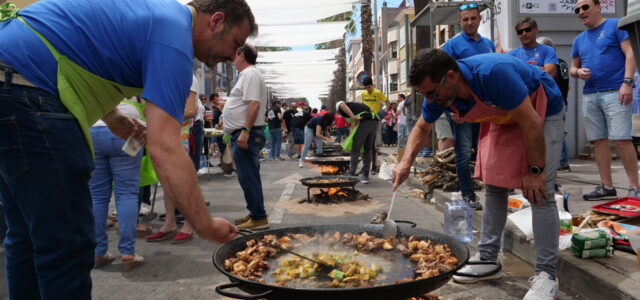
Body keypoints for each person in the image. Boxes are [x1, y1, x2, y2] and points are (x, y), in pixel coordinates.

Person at [0, 0, 255, 297]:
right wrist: (205, 224)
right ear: (216, 21)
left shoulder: (154, 16)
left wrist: (113, 116)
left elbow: (79, 48)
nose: (229, 57)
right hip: (28, 95)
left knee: (25, 235)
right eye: (235, 42)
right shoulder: (174, 39)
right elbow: (165, 148)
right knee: (64, 244)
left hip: (12, 83)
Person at [393, 49, 565, 300]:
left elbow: (530, 121)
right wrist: (405, 163)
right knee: (494, 183)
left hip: (541, 109)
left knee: (539, 191)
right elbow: (422, 127)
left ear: (451, 76)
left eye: (431, 93)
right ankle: (487, 258)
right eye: (424, 94)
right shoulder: (439, 92)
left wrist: (535, 170)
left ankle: (547, 275)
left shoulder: (494, 74)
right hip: (504, 115)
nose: (430, 99)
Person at [571, 0, 640, 200]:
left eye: (585, 7)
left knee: (621, 139)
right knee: (598, 141)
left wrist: (627, 83)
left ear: (598, 7)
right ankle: (606, 186)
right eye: (577, 9)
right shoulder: (579, 40)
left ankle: (635, 187)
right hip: (590, 94)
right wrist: (578, 72)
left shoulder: (615, 26)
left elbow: (630, 54)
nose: (580, 12)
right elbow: (573, 67)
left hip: (615, 92)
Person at [440, 3, 496, 210]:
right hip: (461, 109)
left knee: (485, 149)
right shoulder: (452, 46)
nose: (469, 22)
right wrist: (452, 109)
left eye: (473, 18)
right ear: (459, 22)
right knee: (463, 152)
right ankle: (468, 194)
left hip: (485, 108)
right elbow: (443, 80)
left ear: (480, 19)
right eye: (465, 19)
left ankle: (494, 190)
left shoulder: (489, 44)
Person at [90, 98, 145, 271]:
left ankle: (98, 252)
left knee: (97, 195)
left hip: (93, 127)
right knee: (127, 194)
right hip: (128, 127)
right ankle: (128, 253)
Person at [145, 75, 200, 244]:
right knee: (167, 180)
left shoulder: (188, 78)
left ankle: (189, 224)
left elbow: (191, 110)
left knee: (183, 181)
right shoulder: (164, 76)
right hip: (165, 134)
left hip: (180, 135)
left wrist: (161, 117)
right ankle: (170, 223)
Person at [223, 44, 269, 230]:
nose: (232, 58)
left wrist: (245, 131)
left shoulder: (250, 74)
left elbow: (254, 105)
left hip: (246, 134)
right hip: (244, 133)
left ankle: (259, 217)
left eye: (234, 54)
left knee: (248, 177)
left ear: (241, 55)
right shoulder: (249, 74)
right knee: (247, 177)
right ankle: (254, 213)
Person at [537, 36, 571, 172]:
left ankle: (561, 160)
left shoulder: (551, 64)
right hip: (562, 100)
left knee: (554, 132)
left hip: (552, 101)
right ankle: (563, 161)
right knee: (560, 131)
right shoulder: (562, 62)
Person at [336, 101, 377, 184]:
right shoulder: (356, 106)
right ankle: (365, 176)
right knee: (367, 150)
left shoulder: (340, 105)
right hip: (374, 122)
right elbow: (354, 125)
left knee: (355, 149)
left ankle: (351, 174)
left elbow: (342, 105)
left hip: (364, 123)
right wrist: (349, 138)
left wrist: (352, 116)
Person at [361, 76, 390, 174]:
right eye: (366, 87)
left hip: (374, 120)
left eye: (369, 87)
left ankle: (373, 167)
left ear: (372, 85)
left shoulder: (377, 93)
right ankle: (366, 166)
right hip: (365, 119)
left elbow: (387, 102)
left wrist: (384, 112)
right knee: (365, 144)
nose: (367, 89)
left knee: (372, 144)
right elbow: (363, 105)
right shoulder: (363, 94)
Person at [396, 94, 409, 161]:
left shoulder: (401, 104)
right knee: (407, 135)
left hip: (401, 122)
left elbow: (398, 112)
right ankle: (406, 149)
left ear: (402, 98)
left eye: (399, 98)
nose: (398, 99)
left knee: (400, 136)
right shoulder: (409, 102)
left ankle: (401, 151)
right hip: (407, 122)